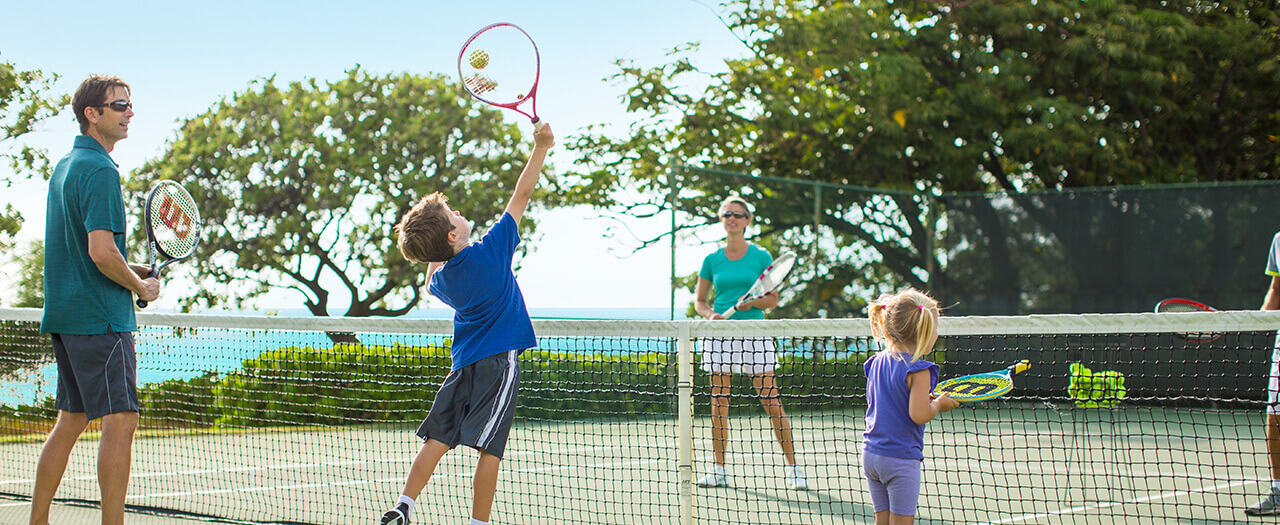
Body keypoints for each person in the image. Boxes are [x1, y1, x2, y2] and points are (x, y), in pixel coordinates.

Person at [379, 124, 554, 525]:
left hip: (461, 368)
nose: (458, 211)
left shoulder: (442, 280)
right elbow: (521, 195)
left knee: (437, 440)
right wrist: (541, 147)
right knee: (490, 449)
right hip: (498, 365)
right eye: (452, 213)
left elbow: (430, 273)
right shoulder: (493, 251)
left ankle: (404, 504)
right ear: (454, 233)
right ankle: (478, 524)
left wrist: (435, 248)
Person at [31, 75, 160, 525]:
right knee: (120, 421)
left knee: (71, 419)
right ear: (92, 114)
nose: (129, 112)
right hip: (101, 321)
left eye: (129, 104)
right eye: (119, 105)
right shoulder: (101, 169)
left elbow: (87, 250)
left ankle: (38, 520)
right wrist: (139, 287)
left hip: (66, 317)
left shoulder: (66, 165)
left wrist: (133, 270)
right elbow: (101, 252)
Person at [693, 195, 808, 490]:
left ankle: (795, 469)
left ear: (747, 221)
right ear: (721, 220)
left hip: (754, 334)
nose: (732, 218)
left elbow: (772, 298)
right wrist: (711, 316)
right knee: (719, 404)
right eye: (727, 214)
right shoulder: (711, 259)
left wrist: (751, 303)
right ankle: (718, 469)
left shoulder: (760, 256)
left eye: (738, 214)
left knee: (771, 401)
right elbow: (700, 302)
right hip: (719, 337)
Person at [862, 289, 958, 525]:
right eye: (935, 327)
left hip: (872, 455)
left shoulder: (876, 361)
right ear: (924, 330)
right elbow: (919, 415)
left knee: (882, 522)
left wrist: (923, 398)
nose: (937, 333)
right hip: (900, 459)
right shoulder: (920, 369)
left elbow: (890, 397)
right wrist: (938, 404)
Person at [1246, 231, 1280, 516]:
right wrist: (1255, 320)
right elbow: (1276, 289)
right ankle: (1279, 490)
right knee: (1275, 412)